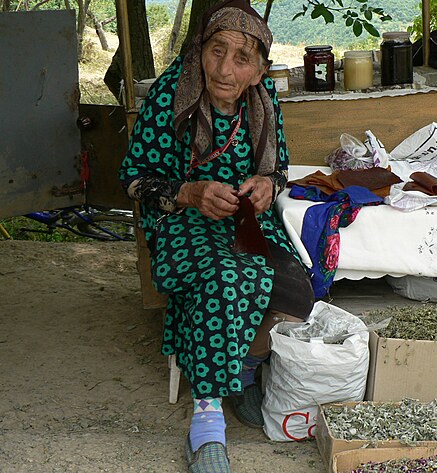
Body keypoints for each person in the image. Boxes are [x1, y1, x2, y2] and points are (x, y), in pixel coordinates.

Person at [118, 1, 314, 471]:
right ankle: (207, 421)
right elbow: (132, 179)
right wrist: (190, 192)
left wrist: (269, 185)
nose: (225, 69)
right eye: (216, 51)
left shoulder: (264, 100)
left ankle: (243, 372)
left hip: (248, 220)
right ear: (201, 49)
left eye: (241, 59)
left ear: (260, 68)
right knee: (227, 279)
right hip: (182, 218)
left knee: (296, 293)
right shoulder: (173, 92)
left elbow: (279, 169)